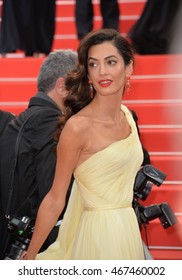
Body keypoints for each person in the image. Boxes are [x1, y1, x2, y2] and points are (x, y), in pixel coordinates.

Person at [22, 28, 146, 260]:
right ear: (87, 74)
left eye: (111, 62)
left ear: (128, 67)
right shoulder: (78, 127)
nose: (102, 72)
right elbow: (55, 198)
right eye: (93, 64)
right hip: (97, 237)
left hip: (127, 229)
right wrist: (30, 257)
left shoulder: (127, 116)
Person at [0, 49, 78, 259]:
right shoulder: (51, 125)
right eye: (79, 87)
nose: (84, 95)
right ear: (62, 86)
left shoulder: (18, 122)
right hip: (40, 248)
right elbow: (53, 196)